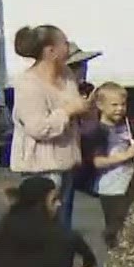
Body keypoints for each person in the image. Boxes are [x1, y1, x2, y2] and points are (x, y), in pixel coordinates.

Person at [8, 25, 90, 230]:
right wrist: (68, 111)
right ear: (50, 51)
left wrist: (85, 107)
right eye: (64, 42)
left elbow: (74, 108)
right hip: (41, 170)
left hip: (67, 164)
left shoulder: (67, 75)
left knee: (63, 231)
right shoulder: (28, 83)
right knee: (43, 231)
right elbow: (37, 127)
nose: (69, 47)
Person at [86, 83, 134, 247]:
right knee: (116, 231)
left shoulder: (125, 127)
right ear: (100, 105)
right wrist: (126, 155)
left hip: (128, 185)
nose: (120, 109)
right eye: (114, 105)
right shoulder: (98, 131)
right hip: (110, 188)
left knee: (133, 230)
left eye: (123, 105)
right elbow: (97, 161)